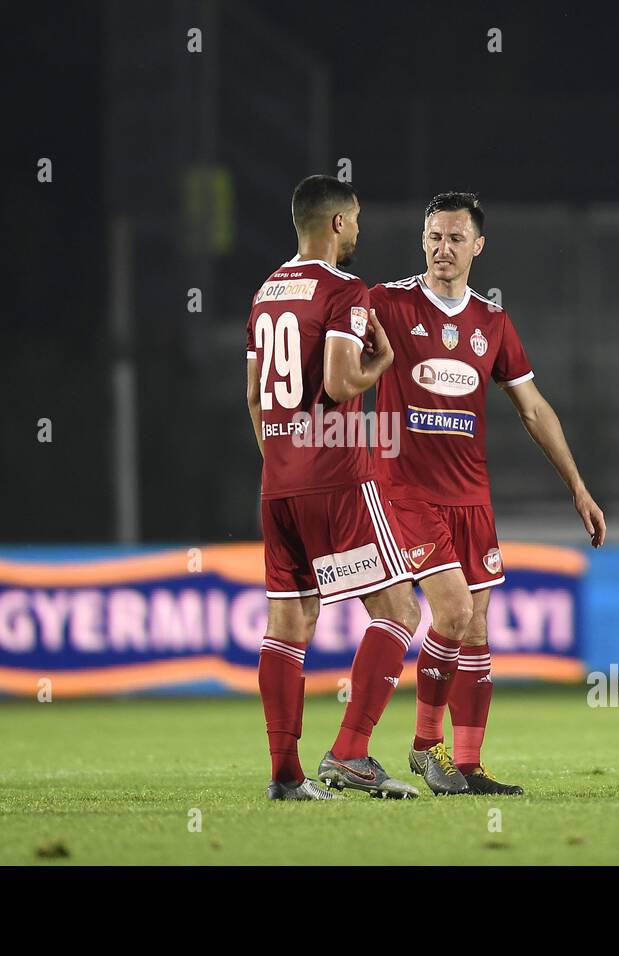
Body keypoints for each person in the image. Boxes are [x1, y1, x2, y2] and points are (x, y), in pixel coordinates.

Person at [370, 192, 605, 796]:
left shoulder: (492, 323)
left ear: (477, 246)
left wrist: (577, 487)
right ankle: (426, 749)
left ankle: (470, 768)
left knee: (475, 629)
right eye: (432, 237)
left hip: (471, 496)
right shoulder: (388, 304)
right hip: (406, 492)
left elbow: (532, 408)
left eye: (453, 238)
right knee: (449, 610)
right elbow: (334, 358)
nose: (440, 249)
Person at [245, 175, 422, 800]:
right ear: (339, 223)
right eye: (356, 220)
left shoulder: (267, 292)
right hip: (338, 474)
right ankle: (350, 752)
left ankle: (285, 776)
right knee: (400, 611)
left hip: (279, 480)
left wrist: (283, 461)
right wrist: (385, 361)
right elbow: (344, 384)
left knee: (288, 623)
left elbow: (252, 396)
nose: (359, 231)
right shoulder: (346, 289)